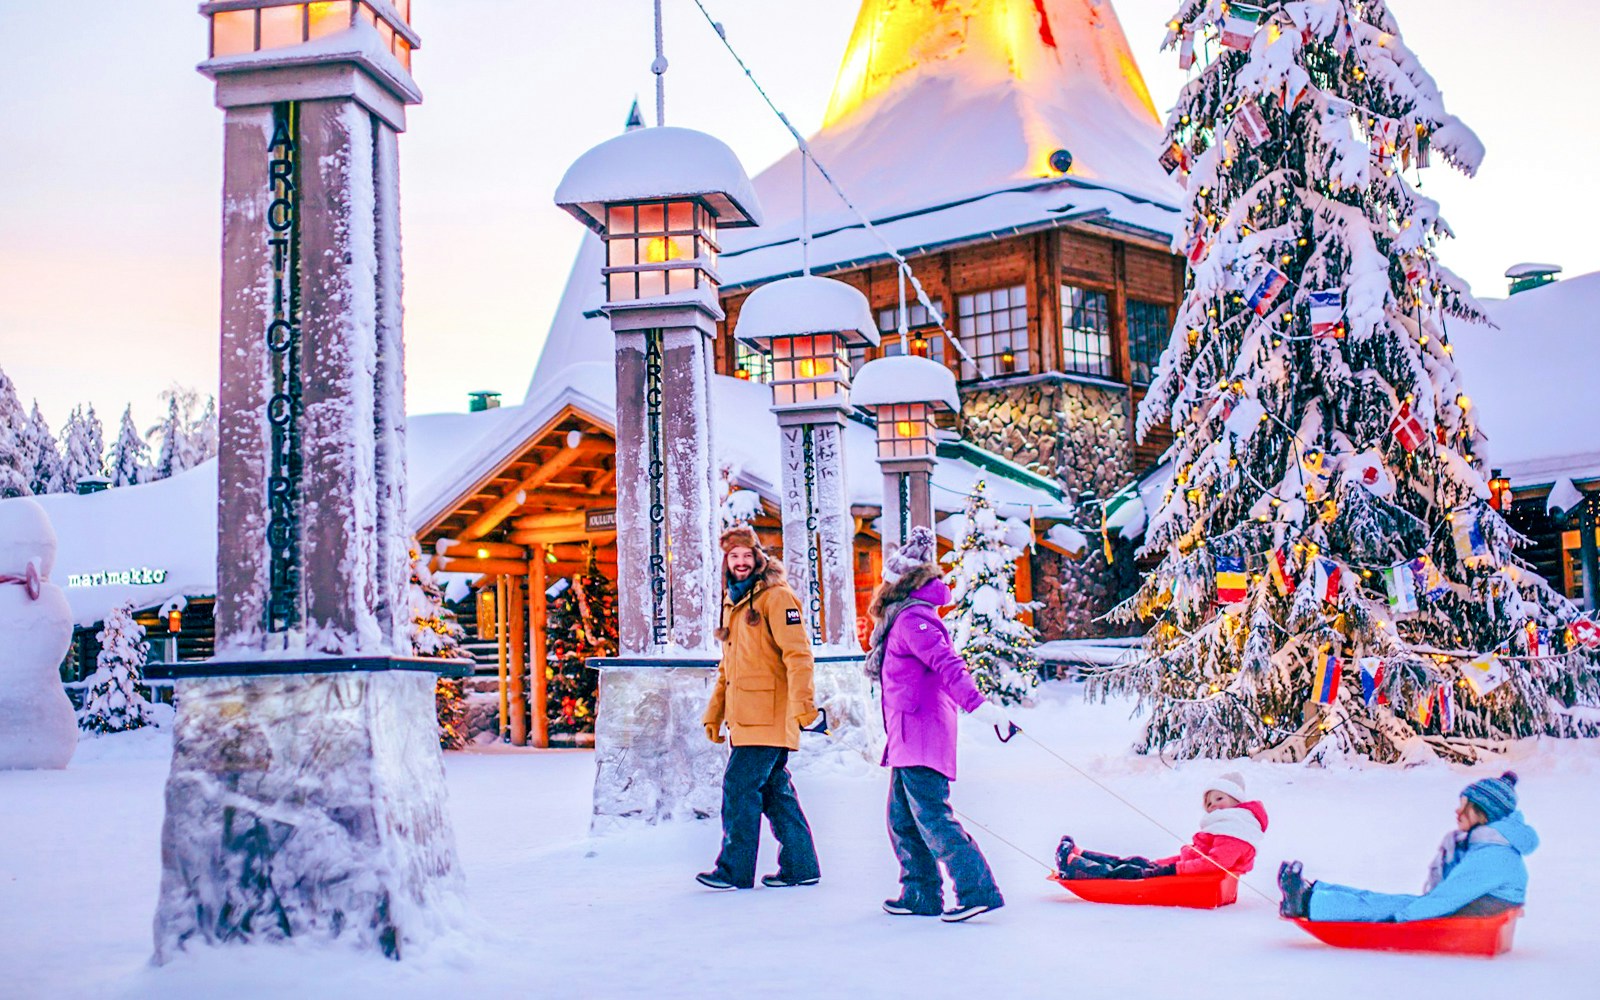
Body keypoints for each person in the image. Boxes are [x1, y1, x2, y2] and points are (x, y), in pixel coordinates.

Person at [865, 526, 1012, 923]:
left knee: (931, 816)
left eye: (886, 580)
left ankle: (977, 890)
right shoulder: (904, 618)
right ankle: (920, 893)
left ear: (899, 583)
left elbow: (949, 666)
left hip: (922, 734)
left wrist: (981, 706)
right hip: (905, 735)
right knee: (902, 818)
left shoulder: (914, 620)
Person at [697, 525, 822, 891]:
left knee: (739, 787)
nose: (740, 562)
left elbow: (799, 656)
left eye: (746, 556)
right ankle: (801, 866)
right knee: (774, 792)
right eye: (733, 556)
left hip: (769, 713)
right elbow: (728, 667)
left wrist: (804, 705)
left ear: (757, 558)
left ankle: (733, 869)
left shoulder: (776, 597)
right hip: (744, 716)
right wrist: (714, 713)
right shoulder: (732, 601)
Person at [1279, 771, 1537, 922]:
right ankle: (1313, 892)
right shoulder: (1489, 846)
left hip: (1459, 922)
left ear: (1483, 812)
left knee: (1384, 908)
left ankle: (1307, 904)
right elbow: (1447, 892)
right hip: (1460, 914)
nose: (1457, 811)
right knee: (1383, 900)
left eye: (1464, 806)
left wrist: (1398, 920)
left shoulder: (1493, 856)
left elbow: (1444, 899)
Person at [1056, 772, 1268, 880]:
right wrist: (1160, 864)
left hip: (1196, 883)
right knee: (1136, 862)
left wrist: (1171, 870)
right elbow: (1196, 857)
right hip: (1187, 875)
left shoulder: (1235, 831)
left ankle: (1075, 867)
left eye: (1219, 799)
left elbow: (1214, 865)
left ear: (1236, 801)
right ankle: (1079, 854)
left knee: (1127, 872)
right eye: (1209, 803)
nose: (1213, 806)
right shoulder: (1226, 827)